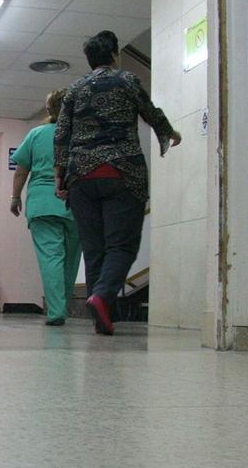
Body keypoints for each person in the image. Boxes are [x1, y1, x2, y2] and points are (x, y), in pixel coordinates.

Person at [54, 31, 181, 335]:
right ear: (114, 54)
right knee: (122, 245)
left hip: (82, 178)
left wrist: (62, 178)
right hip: (121, 171)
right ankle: (102, 296)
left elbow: (61, 135)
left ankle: (103, 316)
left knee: (94, 248)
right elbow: (150, 112)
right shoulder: (127, 80)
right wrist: (169, 132)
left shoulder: (74, 89)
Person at [10, 90, 82, 326]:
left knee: (51, 256)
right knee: (71, 258)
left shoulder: (36, 134)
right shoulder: (80, 135)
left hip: (42, 202)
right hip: (75, 203)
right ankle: (62, 305)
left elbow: (22, 170)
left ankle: (57, 311)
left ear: (50, 110)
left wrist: (15, 197)